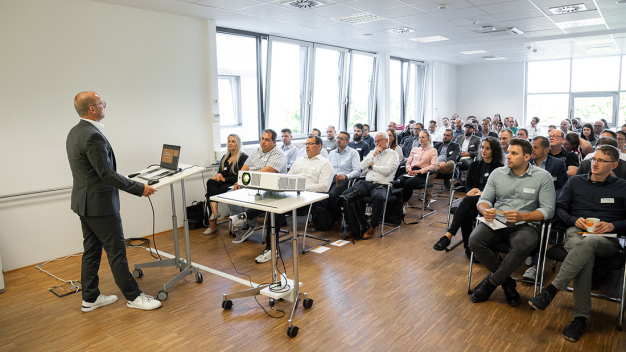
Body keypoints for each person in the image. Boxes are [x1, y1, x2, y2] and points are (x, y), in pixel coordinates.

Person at [66, 91, 161, 312]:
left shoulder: (74, 132)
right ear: (92, 109)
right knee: (117, 251)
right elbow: (106, 174)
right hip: (100, 207)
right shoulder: (92, 135)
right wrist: (140, 188)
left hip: (84, 203)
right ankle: (134, 297)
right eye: (101, 103)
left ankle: (90, 298)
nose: (104, 106)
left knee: (91, 250)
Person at [529, 145, 626, 342]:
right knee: (585, 255)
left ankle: (553, 289)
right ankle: (580, 318)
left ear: (614, 165)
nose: (595, 163)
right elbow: (560, 209)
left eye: (601, 160)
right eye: (594, 159)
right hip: (576, 232)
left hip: (606, 239)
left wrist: (612, 226)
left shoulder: (622, 186)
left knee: (588, 245)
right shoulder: (575, 183)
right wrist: (574, 221)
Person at [468, 138, 555, 306]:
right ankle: (507, 283)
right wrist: (486, 211)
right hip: (496, 222)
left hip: (524, 225)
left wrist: (523, 216)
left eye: (514, 153)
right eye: (508, 152)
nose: (508, 156)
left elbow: (548, 210)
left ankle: (490, 283)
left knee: (523, 244)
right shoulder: (498, 173)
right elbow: (484, 200)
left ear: (526, 157)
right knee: (474, 241)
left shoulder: (543, 177)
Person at [232, 135, 332, 263]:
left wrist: (301, 186)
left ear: (319, 146)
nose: (307, 146)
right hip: (291, 193)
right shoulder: (299, 160)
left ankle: (267, 244)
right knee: (270, 197)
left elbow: (324, 187)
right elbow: (287, 178)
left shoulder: (325, 163)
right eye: (306, 143)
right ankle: (267, 244)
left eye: (311, 144)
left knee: (274, 208)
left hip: (307, 198)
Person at [433, 137, 504, 256]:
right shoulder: (475, 165)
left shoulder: (499, 168)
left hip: (489, 202)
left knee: (466, 201)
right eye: (482, 147)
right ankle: (469, 248)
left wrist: (481, 192)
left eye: (488, 148)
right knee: (468, 212)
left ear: (494, 151)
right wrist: (472, 190)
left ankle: (449, 235)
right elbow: (468, 186)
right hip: (473, 199)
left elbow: (498, 190)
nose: (483, 151)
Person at [228, 129, 287, 252]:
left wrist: (246, 179)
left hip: (272, 189)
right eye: (262, 139)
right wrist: (240, 181)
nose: (263, 142)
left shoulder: (278, 154)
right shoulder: (257, 151)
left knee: (258, 198)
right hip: (253, 183)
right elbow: (244, 168)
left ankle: (247, 223)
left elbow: (267, 172)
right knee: (231, 194)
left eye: (267, 140)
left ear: (274, 142)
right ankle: (243, 224)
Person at [341, 132, 399, 240]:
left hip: (383, 185)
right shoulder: (373, 152)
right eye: (375, 141)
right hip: (367, 183)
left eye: (379, 140)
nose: (377, 143)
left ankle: (373, 226)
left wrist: (373, 167)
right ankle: (354, 225)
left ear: (386, 141)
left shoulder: (393, 154)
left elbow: (387, 171)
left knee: (378, 197)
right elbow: (361, 166)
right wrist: (374, 154)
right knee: (346, 195)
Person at [203, 134, 248, 235]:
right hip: (224, 182)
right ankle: (215, 212)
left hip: (234, 184)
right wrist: (218, 175)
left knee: (210, 195)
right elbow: (220, 171)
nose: (230, 143)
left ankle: (213, 224)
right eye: (229, 141)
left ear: (238, 143)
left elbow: (240, 176)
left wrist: (224, 179)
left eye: (233, 141)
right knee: (210, 182)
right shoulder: (225, 157)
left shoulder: (243, 157)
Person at [327, 131, 361, 228]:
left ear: (347, 141)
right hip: (331, 178)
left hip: (344, 180)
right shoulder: (332, 153)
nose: (338, 140)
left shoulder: (353, 153)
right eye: (338, 138)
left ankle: (337, 218)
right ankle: (326, 219)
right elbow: (327, 167)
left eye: (341, 138)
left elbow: (357, 171)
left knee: (332, 195)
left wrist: (346, 176)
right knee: (320, 193)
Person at [399, 131, 438, 211]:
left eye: (423, 137)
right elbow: (408, 162)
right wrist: (409, 169)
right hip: (411, 172)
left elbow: (433, 165)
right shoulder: (415, 149)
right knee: (399, 180)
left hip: (422, 174)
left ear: (428, 139)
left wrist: (420, 171)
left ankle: (404, 202)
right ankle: (397, 202)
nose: (420, 139)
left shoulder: (432, 150)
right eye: (420, 137)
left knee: (408, 183)